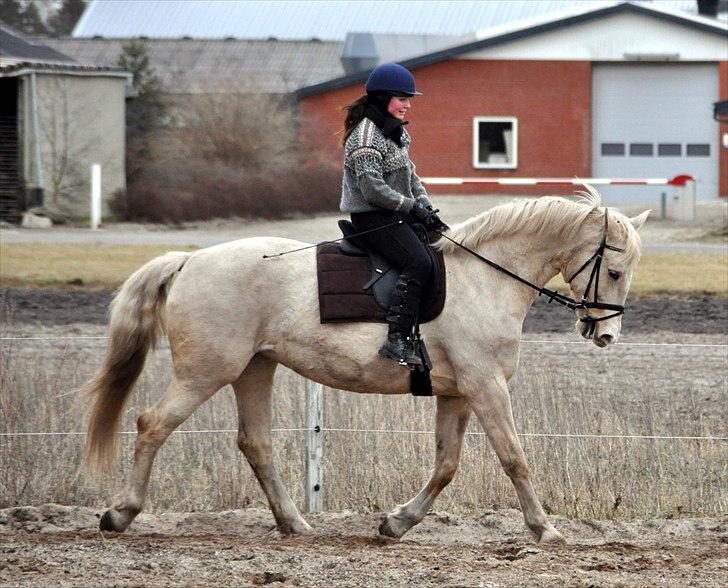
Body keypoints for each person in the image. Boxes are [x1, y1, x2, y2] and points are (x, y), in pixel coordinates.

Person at [339, 63, 449, 367]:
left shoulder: (397, 133)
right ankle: (396, 339)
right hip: (372, 219)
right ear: (384, 97)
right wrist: (410, 206)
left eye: (408, 99)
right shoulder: (364, 138)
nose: (407, 104)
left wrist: (424, 204)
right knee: (418, 262)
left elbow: (411, 175)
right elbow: (372, 190)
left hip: (396, 214)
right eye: (402, 98)